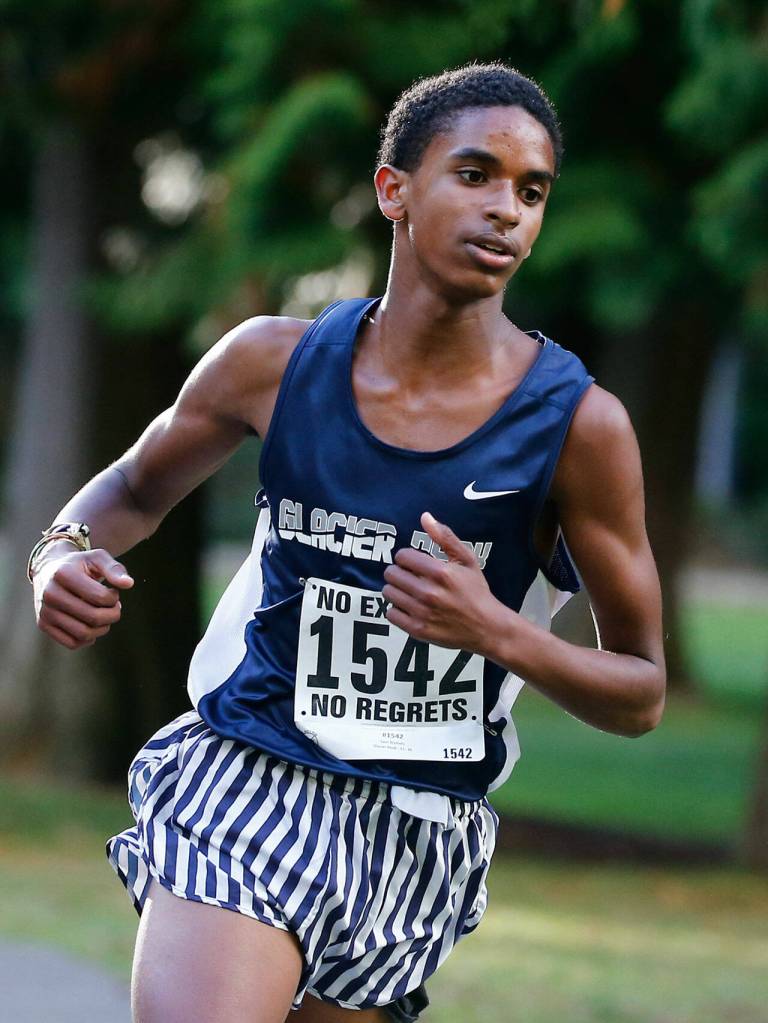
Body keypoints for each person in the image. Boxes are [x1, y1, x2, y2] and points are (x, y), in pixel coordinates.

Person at [29, 62, 665, 1023]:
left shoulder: (579, 425)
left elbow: (642, 690)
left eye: (532, 192)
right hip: (251, 773)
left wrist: (498, 632)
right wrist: (60, 552)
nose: (508, 212)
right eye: (477, 174)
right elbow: (130, 488)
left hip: (414, 831)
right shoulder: (270, 363)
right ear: (393, 189)